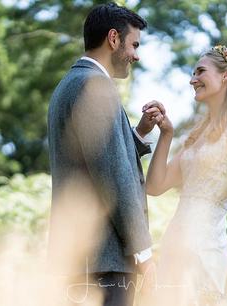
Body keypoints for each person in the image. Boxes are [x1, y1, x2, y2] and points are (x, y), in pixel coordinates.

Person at [47, 3, 165, 306]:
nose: (136, 55)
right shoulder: (94, 86)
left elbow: (100, 158)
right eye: (134, 44)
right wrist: (144, 254)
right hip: (104, 262)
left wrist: (139, 132)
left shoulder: (71, 83)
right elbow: (116, 177)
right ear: (113, 38)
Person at [145, 45, 227, 305]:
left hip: (205, 253)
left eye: (200, 71)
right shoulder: (197, 135)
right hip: (173, 247)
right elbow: (155, 185)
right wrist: (166, 134)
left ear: (226, 75)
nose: (192, 79)